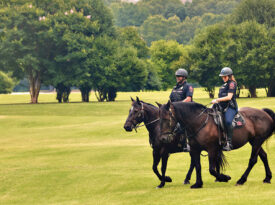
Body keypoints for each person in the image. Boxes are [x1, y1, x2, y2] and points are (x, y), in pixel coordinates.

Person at [211, 67, 238, 151]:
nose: (223, 78)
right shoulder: (224, 85)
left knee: (228, 121)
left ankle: (229, 142)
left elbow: (229, 97)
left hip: (230, 107)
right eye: (222, 77)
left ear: (229, 76)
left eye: (224, 76)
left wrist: (217, 100)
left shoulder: (232, 83)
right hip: (221, 106)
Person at [169, 68, 194, 152]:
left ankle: (187, 144)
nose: (177, 78)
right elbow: (171, 100)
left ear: (184, 77)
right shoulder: (175, 87)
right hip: (175, 111)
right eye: (177, 76)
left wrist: (177, 105)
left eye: (179, 76)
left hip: (185, 111)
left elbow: (188, 99)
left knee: (182, 125)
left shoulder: (188, 86)